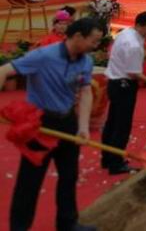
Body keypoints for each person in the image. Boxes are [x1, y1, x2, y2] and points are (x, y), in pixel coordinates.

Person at [0, 18, 103, 231]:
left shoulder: (86, 61)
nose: (96, 46)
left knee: (69, 175)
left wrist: (83, 126)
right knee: (30, 179)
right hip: (40, 125)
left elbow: (85, 92)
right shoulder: (43, 56)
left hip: (67, 121)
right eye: (94, 40)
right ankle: (19, 228)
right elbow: (3, 71)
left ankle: (67, 223)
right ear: (78, 36)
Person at [101, 11, 146, 175]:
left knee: (112, 122)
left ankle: (107, 158)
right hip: (124, 85)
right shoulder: (133, 45)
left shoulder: (125, 33)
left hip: (114, 83)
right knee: (122, 126)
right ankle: (116, 163)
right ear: (140, 25)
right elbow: (133, 73)